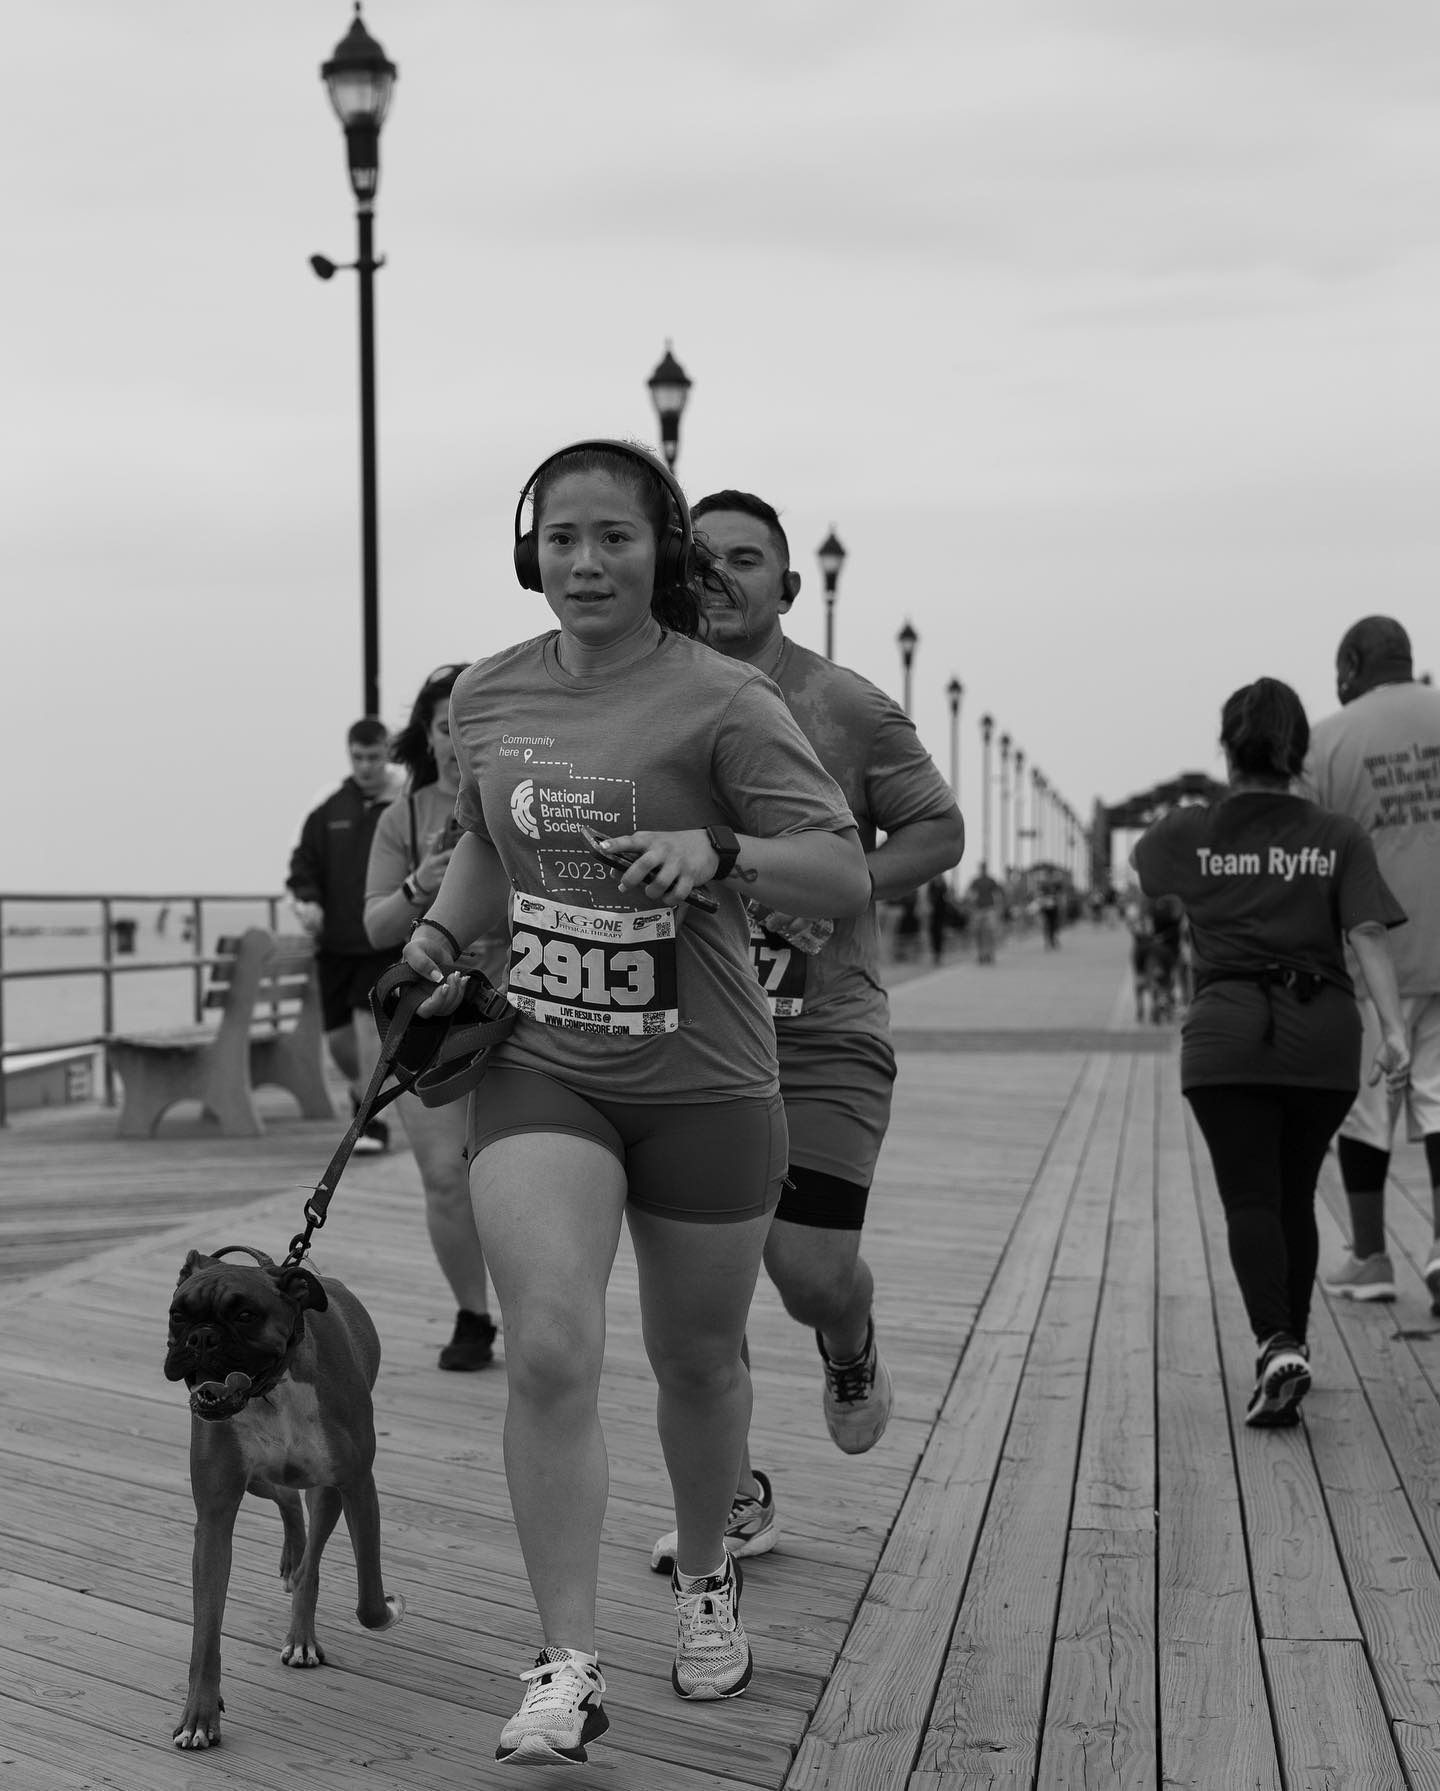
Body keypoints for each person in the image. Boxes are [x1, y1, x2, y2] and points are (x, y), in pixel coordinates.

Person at [401, 440, 870, 1765]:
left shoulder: (723, 702)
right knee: (549, 1341)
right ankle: (564, 1659)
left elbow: (839, 874)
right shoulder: (489, 692)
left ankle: (709, 1572)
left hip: (708, 1080)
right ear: (528, 551)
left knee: (698, 1357)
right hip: (542, 1064)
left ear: (658, 548)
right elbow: (492, 847)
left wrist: (718, 847)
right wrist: (438, 943)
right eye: (561, 537)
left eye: (614, 536)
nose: (586, 560)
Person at [637, 487, 961, 1578]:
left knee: (807, 1271)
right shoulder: (652, 693)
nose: (722, 576)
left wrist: (837, 883)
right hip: (686, 1023)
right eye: (703, 558)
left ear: (790, 582)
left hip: (821, 1029)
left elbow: (940, 827)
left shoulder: (846, 706)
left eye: (747, 558)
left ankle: (848, 1333)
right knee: (702, 1281)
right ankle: (731, 1499)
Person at [1133, 677, 1409, 1427]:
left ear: (1227, 748)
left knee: (1250, 1196)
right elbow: (1369, 934)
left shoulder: (1188, 831)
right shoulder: (1338, 835)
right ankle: (1289, 1349)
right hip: (1324, 1039)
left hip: (1228, 1035)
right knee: (1293, 1193)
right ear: (1300, 753)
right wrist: (1393, 1028)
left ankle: (1276, 1341)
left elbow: (1148, 874)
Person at [363, 665, 500, 1372]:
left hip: (513, 1009)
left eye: (471, 725)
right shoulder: (404, 817)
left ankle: (537, 1305)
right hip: (425, 1023)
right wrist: (425, 881)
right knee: (446, 1176)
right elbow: (376, 923)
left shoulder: (522, 801)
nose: (457, 740)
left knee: (509, 1170)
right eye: (445, 726)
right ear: (427, 735)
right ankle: (474, 1313)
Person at [1302, 618, 1440, 1306]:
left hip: (1367, 960)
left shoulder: (1328, 740)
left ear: (1354, 663)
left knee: (1366, 1112)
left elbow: (1303, 852)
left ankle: (1371, 1256)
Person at [286, 717, 399, 1154]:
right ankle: (365, 1092)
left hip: (380, 940)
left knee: (368, 1029)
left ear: (388, 753)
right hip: (334, 944)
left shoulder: (402, 804)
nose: (366, 766)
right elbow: (303, 865)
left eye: (374, 757)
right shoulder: (329, 809)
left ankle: (372, 1124)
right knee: (340, 1041)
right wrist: (308, 900)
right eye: (358, 757)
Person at [969, 862, 1003, 963]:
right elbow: (971, 895)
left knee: (990, 932)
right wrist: (971, 908)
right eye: (982, 868)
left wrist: (998, 908)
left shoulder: (991, 880)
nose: (983, 869)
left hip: (989, 909)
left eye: (984, 868)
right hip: (979, 909)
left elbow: (997, 894)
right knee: (978, 932)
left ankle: (990, 953)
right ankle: (980, 954)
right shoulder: (976, 881)